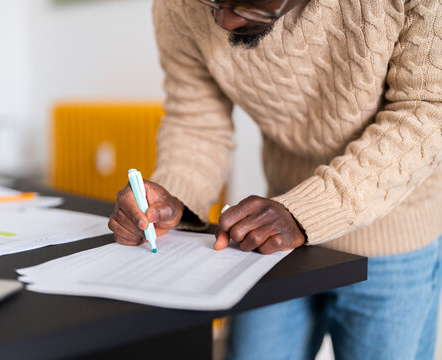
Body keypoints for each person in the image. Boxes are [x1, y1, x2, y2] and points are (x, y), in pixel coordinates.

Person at [108, 0, 442, 358]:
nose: (225, 20)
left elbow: (425, 110)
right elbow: (196, 120)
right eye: (212, 2)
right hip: (275, 232)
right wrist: (172, 194)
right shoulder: (178, 6)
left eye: (247, 4)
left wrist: (305, 212)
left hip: (394, 234)